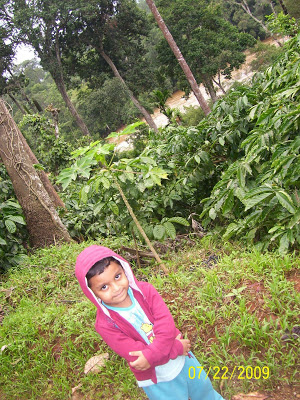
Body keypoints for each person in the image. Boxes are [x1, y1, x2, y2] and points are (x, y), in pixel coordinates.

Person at [75, 245, 225, 400]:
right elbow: (137, 357)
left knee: (204, 390)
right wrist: (174, 348)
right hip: (158, 377)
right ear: (93, 293)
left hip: (184, 360)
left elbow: (166, 324)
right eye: (104, 287)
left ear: (124, 269)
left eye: (117, 276)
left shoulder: (146, 291)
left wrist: (152, 354)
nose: (116, 288)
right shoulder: (105, 324)